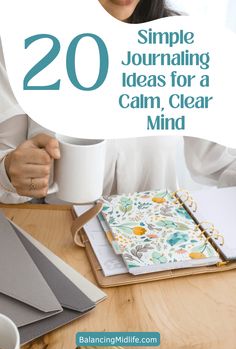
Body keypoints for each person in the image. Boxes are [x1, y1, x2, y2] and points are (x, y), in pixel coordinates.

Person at [0, 0, 236, 204]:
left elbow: (222, 160)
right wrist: (10, 171)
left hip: (162, 239)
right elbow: (6, 163)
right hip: (57, 235)